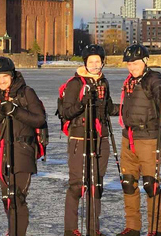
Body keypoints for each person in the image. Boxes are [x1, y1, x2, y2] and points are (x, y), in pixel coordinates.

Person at [0, 56, 46, 236]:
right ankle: (12, 230)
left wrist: (16, 111)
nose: (2, 81)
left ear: (12, 76)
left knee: (18, 198)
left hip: (23, 151)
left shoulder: (26, 93)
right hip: (1, 154)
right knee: (6, 198)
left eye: (5, 76)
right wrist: (0, 112)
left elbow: (39, 119)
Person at [117, 44, 161, 236]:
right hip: (128, 138)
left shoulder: (154, 78)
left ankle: (154, 229)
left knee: (151, 184)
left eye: (134, 63)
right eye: (129, 64)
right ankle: (133, 227)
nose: (131, 67)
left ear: (144, 61)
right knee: (128, 182)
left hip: (148, 138)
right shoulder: (129, 82)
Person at [59, 44, 118, 236]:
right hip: (79, 137)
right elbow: (65, 112)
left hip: (101, 138)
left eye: (98, 61)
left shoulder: (103, 83)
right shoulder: (75, 83)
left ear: (102, 63)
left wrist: (131, 109)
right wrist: (81, 104)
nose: (95, 65)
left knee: (96, 184)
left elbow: (108, 108)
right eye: (91, 61)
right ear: (85, 63)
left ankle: (94, 229)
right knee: (77, 185)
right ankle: (71, 229)